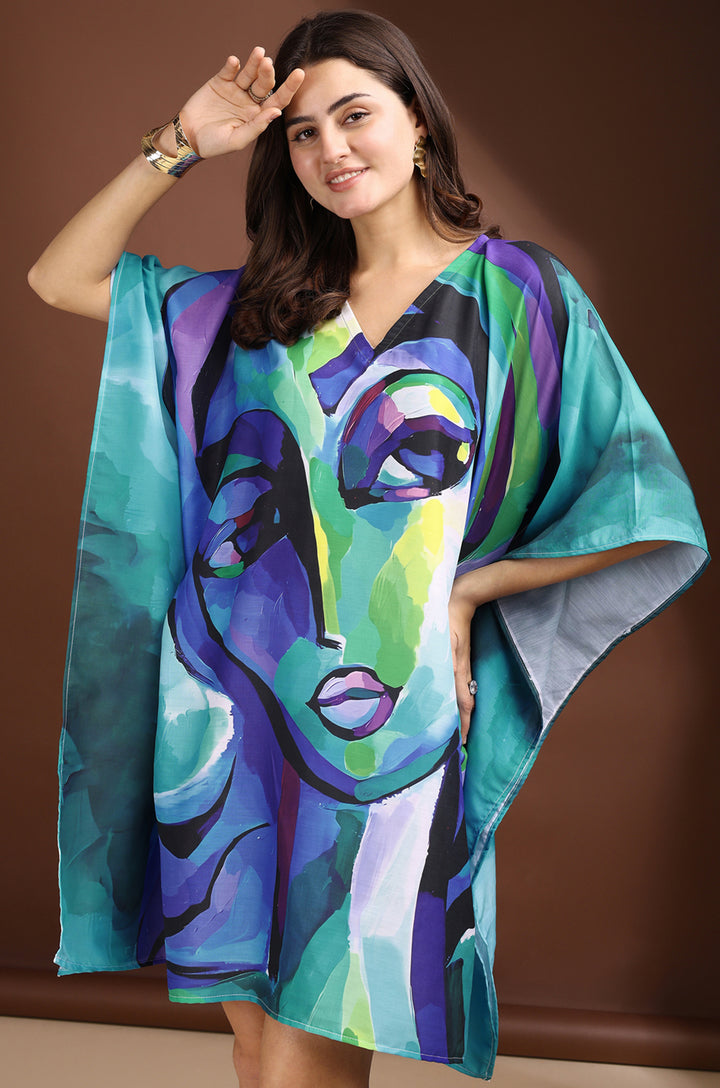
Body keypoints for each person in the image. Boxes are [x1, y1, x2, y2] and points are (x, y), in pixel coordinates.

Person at [28, 9, 707, 1086]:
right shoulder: (259, 310)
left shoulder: (518, 298)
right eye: (303, 133)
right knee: (260, 1043)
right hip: (235, 710)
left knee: (310, 1043)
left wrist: (470, 591)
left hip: (383, 720)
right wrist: (182, 142)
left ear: (418, 122)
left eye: (356, 115)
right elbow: (60, 279)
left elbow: (641, 498)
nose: (332, 149)